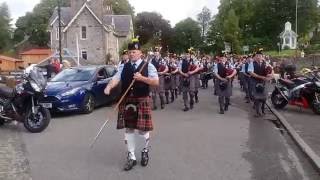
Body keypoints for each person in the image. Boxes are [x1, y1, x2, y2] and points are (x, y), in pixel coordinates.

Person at [104, 39, 159, 171]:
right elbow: (116, 78)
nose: (131, 54)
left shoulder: (148, 66)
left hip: (142, 100)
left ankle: (145, 151)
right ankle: (132, 156)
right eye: (130, 52)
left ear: (140, 53)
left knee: (143, 130)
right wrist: (108, 87)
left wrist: (142, 78)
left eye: (134, 52)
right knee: (128, 129)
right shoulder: (123, 66)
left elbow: (156, 82)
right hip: (128, 101)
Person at [248, 51, 273, 117]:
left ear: (262, 56)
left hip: (263, 81)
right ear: (255, 56)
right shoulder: (252, 63)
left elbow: (271, 70)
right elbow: (251, 72)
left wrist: (270, 76)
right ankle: (257, 112)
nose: (258, 57)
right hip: (254, 81)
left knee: (264, 96)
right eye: (257, 55)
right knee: (256, 97)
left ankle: (262, 109)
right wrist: (261, 77)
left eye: (260, 55)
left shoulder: (266, 63)